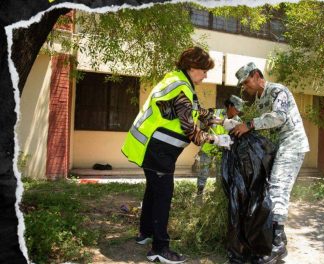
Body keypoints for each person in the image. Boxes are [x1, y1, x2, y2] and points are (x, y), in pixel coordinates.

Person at [121, 47, 233, 263]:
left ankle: (145, 234)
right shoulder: (181, 88)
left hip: (150, 146)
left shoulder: (178, 80)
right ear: (192, 68)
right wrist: (218, 139)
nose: (206, 75)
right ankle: (160, 248)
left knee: (153, 191)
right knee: (163, 196)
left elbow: (196, 110)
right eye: (204, 70)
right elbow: (191, 131)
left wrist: (221, 121)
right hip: (157, 150)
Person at [230, 62, 310, 264]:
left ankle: (276, 245)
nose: (245, 87)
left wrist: (248, 125)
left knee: (277, 190)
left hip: (292, 144)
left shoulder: (277, 91)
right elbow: (252, 122)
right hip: (276, 148)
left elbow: (279, 117)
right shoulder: (258, 100)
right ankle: (278, 237)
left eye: (246, 82)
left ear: (257, 75)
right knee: (268, 190)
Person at [196, 95, 245, 197]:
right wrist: (205, 125)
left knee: (220, 175)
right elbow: (201, 122)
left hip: (222, 152)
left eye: (239, 110)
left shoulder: (238, 122)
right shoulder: (215, 113)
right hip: (208, 148)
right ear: (230, 106)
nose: (237, 112)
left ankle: (217, 197)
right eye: (236, 109)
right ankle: (199, 194)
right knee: (203, 172)